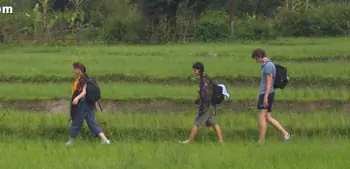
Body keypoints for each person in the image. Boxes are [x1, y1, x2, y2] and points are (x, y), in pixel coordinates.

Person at [65, 62, 110, 146]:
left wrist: (76, 98)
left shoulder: (83, 79)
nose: (74, 70)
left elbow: (84, 92)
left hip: (83, 104)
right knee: (91, 122)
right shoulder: (82, 78)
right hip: (88, 104)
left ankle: (71, 141)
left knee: (76, 121)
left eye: (75, 69)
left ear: (79, 70)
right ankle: (105, 140)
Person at [252, 48, 291, 144]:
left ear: (260, 56)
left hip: (267, 93)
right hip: (267, 93)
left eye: (256, 58)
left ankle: (261, 141)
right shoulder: (267, 65)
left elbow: (269, 82)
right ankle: (286, 134)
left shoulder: (268, 66)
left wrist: (265, 96)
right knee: (268, 117)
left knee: (261, 116)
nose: (256, 61)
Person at [181, 62, 224, 144]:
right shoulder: (206, 78)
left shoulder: (204, 80)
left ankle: (189, 142)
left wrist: (202, 105)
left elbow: (205, 95)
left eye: (195, 70)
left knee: (197, 123)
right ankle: (221, 141)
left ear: (199, 70)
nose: (194, 72)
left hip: (206, 106)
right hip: (211, 105)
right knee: (214, 123)